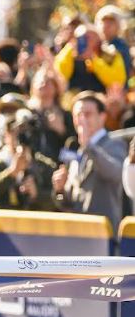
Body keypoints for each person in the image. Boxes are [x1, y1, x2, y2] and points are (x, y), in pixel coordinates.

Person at [52, 91, 128, 232]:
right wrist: (61, 189)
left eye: (87, 114)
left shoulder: (114, 143)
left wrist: (89, 147)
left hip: (104, 234)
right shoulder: (78, 149)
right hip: (78, 233)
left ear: (102, 117)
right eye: (77, 115)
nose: (82, 119)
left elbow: (116, 174)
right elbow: (73, 199)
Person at [54, 25, 127, 94]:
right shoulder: (69, 53)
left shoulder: (111, 55)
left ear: (99, 39)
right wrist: (70, 51)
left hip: (102, 100)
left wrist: (94, 59)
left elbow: (117, 83)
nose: (86, 42)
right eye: (82, 38)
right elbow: (59, 77)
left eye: (89, 38)